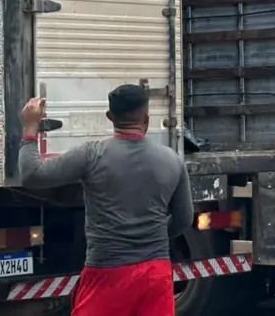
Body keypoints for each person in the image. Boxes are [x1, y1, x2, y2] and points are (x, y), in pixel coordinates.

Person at [19, 86, 193, 316]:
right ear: (147, 119)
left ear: (110, 117)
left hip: (107, 272)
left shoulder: (91, 155)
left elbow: (32, 175)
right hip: (155, 273)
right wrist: (152, 236)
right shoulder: (172, 161)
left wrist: (30, 127)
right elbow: (184, 219)